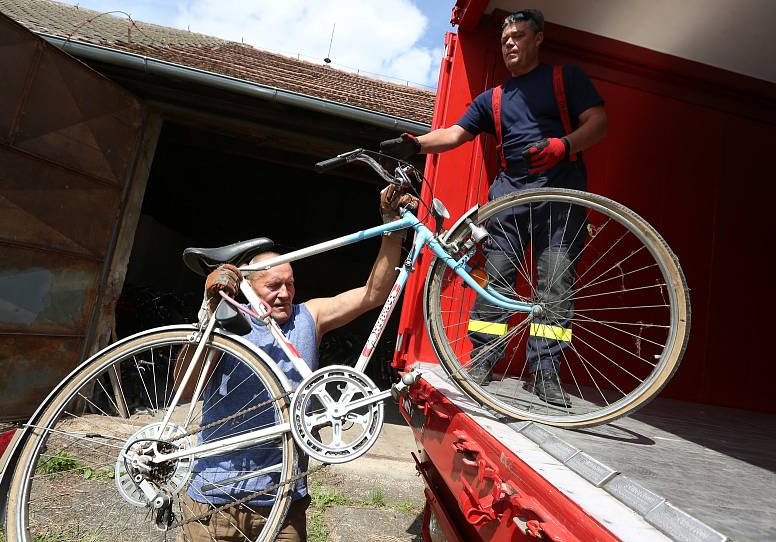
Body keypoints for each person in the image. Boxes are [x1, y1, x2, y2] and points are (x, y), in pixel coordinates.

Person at [380, 9, 607, 408]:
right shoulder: (493, 99)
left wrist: (564, 145)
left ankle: (544, 373)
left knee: (555, 286)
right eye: (505, 40)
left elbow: (598, 122)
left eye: (519, 36)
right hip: (508, 197)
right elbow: (453, 134)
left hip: (562, 195)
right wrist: (416, 144)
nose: (510, 44)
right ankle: (483, 360)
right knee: (494, 280)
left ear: (538, 38)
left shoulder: (566, 78)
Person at [176, 185, 418, 542]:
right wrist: (210, 313)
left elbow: (373, 294)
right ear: (248, 286)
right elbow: (185, 384)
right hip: (215, 498)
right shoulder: (227, 324)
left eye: (290, 284)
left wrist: (393, 229)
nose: (285, 293)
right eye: (274, 285)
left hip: (284, 496)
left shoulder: (308, 317)